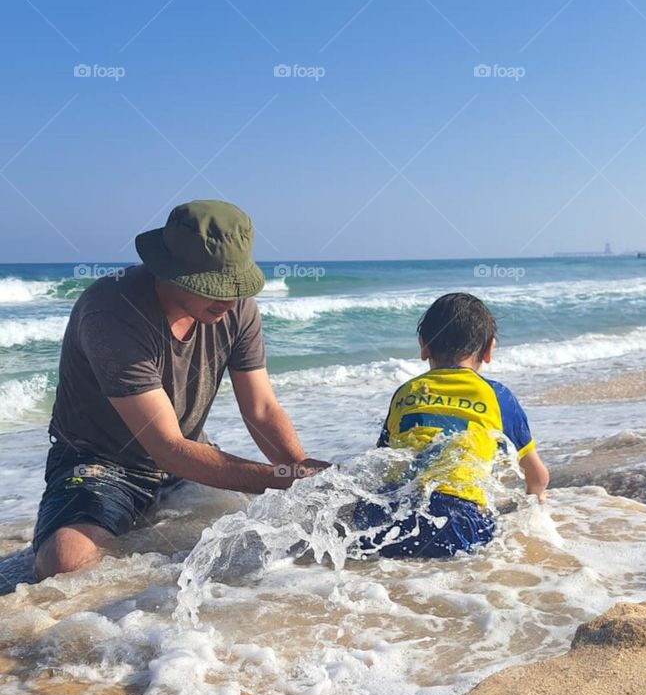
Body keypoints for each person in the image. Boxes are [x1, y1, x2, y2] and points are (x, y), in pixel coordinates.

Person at [33, 199, 328, 580]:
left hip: (191, 456)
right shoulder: (112, 312)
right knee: (64, 564)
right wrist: (281, 479)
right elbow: (167, 448)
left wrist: (300, 474)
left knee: (262, 546)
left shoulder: (237, 307)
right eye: (214, 288)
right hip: (101, 463)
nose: (229, 300)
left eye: (236, 286)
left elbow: (261, 409)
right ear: (169, 271)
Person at [355, 291, 549, 559]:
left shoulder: (406, 392)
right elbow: (538, 477)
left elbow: (381, 463)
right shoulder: (497, 396)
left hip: (386, 515)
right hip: (454, 519)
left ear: (423, 346)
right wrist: (536, 501)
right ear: (489, 349)